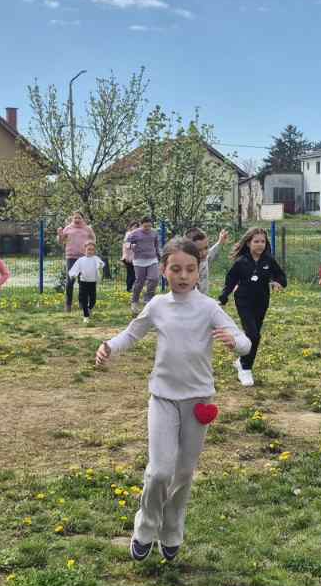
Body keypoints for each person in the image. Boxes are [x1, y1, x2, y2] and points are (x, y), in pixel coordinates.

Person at [96, 238, 250, 563]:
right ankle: (145, 528)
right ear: (164, 269)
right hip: (163, 398)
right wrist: (109, 345)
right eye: (176, 269)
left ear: (198, 270)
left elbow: (244, 342)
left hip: (198, 402)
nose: (183, 276)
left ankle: (171, 531)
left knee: (183, 473)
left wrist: (233, 342)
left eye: (190, 269)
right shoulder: (157, 305)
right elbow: (132, 333)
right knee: (160, 471)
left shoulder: (209, 307)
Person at [217, 226, 287, 386]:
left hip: (262, 301)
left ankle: (242, 360)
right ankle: (245, 368)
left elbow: (281, 276)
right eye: (256, 241)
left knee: (254, 334)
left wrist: (278, 282)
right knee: (253, 335)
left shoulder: (269, 260)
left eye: (263, 241)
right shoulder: (241, 262)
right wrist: (222, 298)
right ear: (248, 243)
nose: (260, 244)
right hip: (243, 301)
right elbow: (230, 282)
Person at [57, 213, 96, 313]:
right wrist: (60, 235)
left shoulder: (87, 229)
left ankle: (82, 303)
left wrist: (90, 247)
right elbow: (61, 241)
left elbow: (93, 240)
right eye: (75, 218)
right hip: (71, 257)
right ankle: (68, 305)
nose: (77, 219)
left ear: (83, 219)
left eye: (79, 218)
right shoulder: (68, 228)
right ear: (72, 219)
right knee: (70, 281)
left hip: (84, 258)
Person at [125, 217, 163, 315]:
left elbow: (156, 245)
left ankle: (148, 298)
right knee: (140, 282)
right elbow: (127, 244)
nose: (147, 228)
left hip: (152, 259)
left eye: (149, 226)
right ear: (141, 225)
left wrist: (159, 255)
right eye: (145, 226)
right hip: (139, 260)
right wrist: (132, 247)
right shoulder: (135, 233)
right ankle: (134, 301)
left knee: (154, 278)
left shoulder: (154, 233)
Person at [186, 227, 231, 293]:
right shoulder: (186, 267)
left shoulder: (204, 260)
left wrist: (220, 242)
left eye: (206, 248)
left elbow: (211, 253)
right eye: (199, 250)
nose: (204, 253)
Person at [68, 246, 106, 323]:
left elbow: (101, 264)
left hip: (92, 282)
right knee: (84, 299)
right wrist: (73, 275)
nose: (90, 251)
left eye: (92, 250)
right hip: (83, 282)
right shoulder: (81, 260)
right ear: (84, 250)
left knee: (93, 300)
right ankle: (86, 316)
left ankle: (89, 308)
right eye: (89, 249)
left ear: (94, 251)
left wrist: (100, 266)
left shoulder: (96, 258)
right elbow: (75, 268)